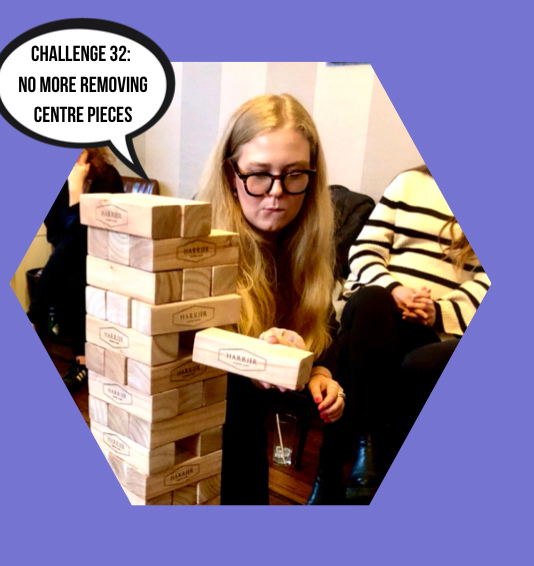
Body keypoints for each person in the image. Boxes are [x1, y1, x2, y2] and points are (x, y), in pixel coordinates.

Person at [308, 165, 491, 504]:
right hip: (375, 310)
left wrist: (438, 311)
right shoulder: (408, 183)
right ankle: (367, 449)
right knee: (372, 303)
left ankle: (332, 475)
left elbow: (491, 283)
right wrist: (394, 290)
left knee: (355, 352)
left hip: (434, 330)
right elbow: (364, 251)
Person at [198, 93, 345, 505]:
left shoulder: (305, 250)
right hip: (195, 441)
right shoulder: (198, 249)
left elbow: (324, 332)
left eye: (294, 174)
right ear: (231, 174)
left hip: (247, 443)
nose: (277, 193)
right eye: (260, 174)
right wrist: (252, 360)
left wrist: (320, 372)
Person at [28, 148, 123, 392]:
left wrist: (76, 192)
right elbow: (55, 234)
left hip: (107, 254)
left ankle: (34, 319)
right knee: (73, 271)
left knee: (74, 262)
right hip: (71, 257)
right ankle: (82, 360)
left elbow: (95, 236)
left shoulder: (108, 177)